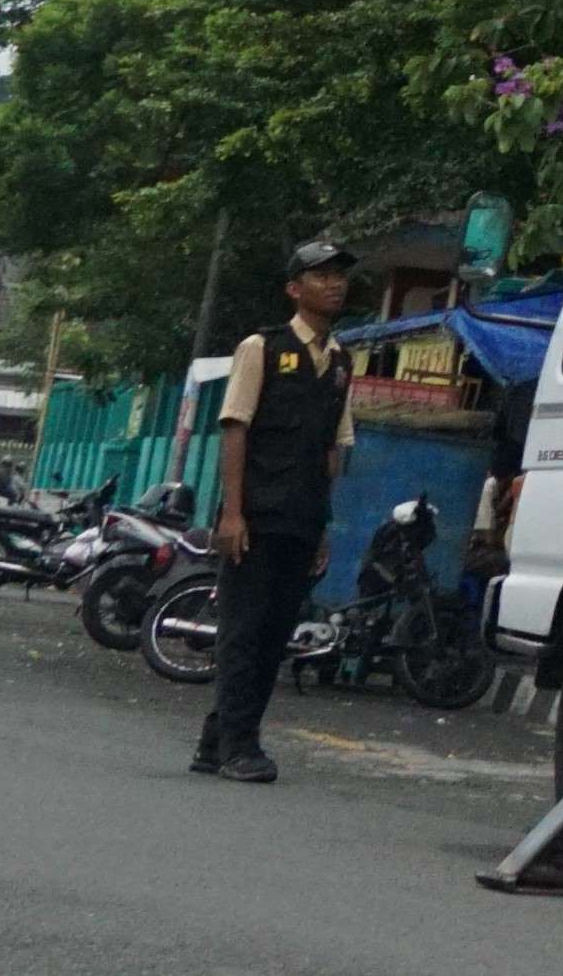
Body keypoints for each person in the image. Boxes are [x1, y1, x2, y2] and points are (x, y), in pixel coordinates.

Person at [191, 238, 362, 784]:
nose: (334, 284)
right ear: (295, 288)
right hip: (257, 515)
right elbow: (235, 428)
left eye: (340, 276)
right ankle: (240, 747)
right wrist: (232, 514)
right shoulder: (261, 349)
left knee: (273, 634)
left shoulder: (340, 361)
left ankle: (218, 741)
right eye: (321, 276)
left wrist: (323, 527)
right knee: (244, 631)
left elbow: (333, 450)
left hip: (303, 518)